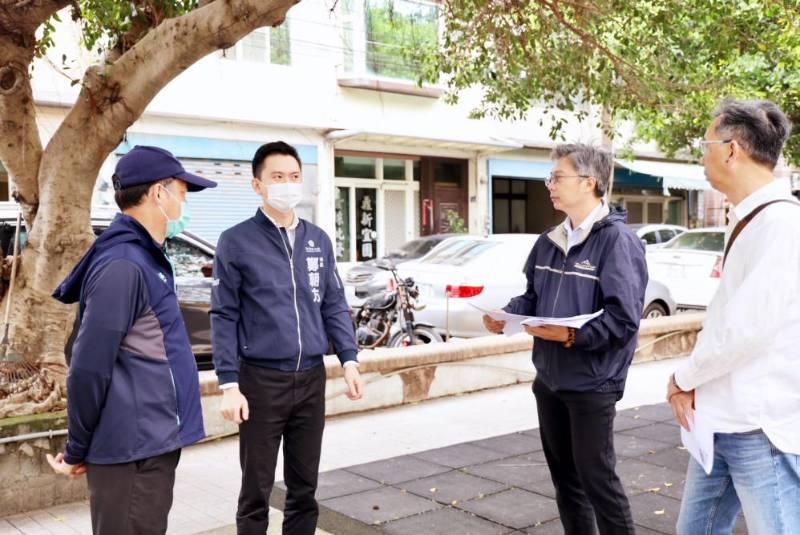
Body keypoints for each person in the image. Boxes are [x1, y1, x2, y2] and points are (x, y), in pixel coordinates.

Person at [47, 145, 217, 534]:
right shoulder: (124, 265)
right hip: (132, 448)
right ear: (159, 194)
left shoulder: (142, 258)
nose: (184, 202)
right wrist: (77, 447)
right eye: (182, 191)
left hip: (147, 443)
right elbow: (88, 367)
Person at [483, 143, 647, 535]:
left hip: (592, 383)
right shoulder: (548, 241)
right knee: (566, 484)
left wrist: (572, 334)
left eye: (558, 177)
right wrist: (507, 314)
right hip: (550, 380)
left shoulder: (617, 242)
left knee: (598, 482)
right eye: (550, 178)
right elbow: (533, 297)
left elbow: (624, 320)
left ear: (589, 182)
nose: (549, 185)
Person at [211, 141, 364, 534]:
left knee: (304, 489)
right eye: (277, 177)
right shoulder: (236, 241)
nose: (287, 184)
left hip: (311, 378)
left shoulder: (317, 240)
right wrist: (228, 383)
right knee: (256, 490)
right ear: (257, 185)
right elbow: (224, 314)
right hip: (261, 381)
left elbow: (333, 303)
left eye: (294, 177)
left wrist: (349, 360)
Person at [667, 99, 800, 535]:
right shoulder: (750, 220)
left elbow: (746, 329)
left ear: (731, 150)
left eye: (705, 144)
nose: (701, 156)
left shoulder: (781, 226)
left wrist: (684, 378)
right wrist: (694, 385)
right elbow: (725, 319)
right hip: (721, 420)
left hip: (760, 427)